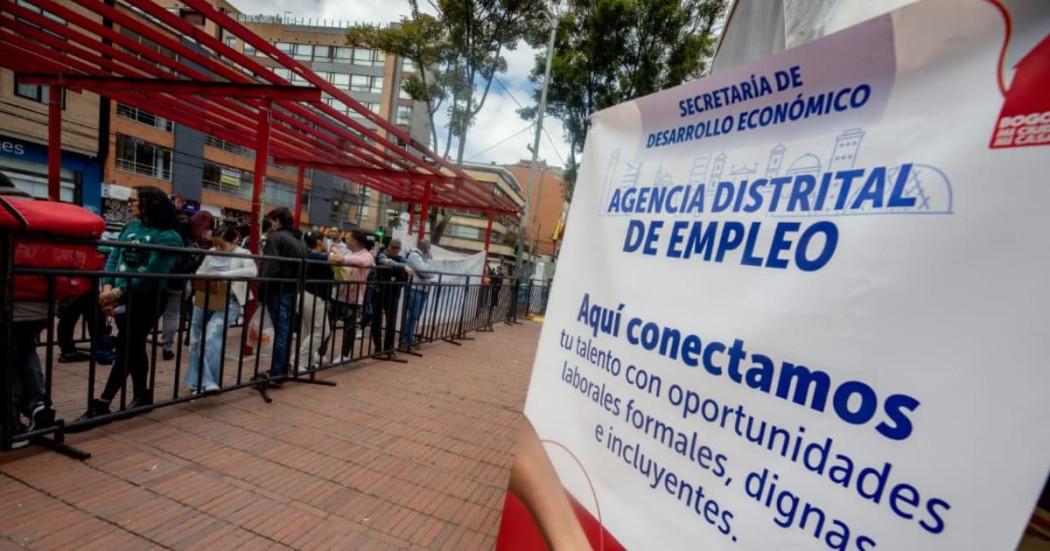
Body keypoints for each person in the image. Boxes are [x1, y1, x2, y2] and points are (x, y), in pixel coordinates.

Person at [78, 186, 183, 421]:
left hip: (148, 298)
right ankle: (142, 396)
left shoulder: (169, 237)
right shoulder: (130, 227)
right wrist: (107, 287)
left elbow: (152, 271)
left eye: (134, 200)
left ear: (150, 204)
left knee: (127, 346)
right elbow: (114, 256)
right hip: (121, 295)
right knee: (133, 346)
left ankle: (103, 402)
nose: (129, 204)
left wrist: (116, 291)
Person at [185, 227, 256, 394]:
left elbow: (252, 271)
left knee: (211, 338)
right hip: (205, 298)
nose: (217, 248)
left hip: (229, 301)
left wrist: (223, 275)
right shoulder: (210, 252)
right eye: (215, 244)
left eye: (221, 245)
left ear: (234, 241)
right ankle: (197, 382)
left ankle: (208, 381)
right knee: (196, 340)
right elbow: (200, 272)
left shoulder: (243, 253)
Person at [256, 207, 307, 381]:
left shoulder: (276, 238)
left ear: (277, 220)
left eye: (271, 220)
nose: (270, 224)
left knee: (282, 332)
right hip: (292, 290)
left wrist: (261, 289)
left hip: (277, 289)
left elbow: (269, 267)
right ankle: (281, 369)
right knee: (285, 331)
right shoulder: (300, 241)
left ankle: (278, 372)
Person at [161, 210, 212, 361]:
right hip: (180, 280)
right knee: (172, 313)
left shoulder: (169, 235)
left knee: (156, 311)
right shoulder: (194, 243)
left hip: (161, 276)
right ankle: (167, 347)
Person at [328, 230, 375, 363]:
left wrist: (340, 257)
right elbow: (332, 258)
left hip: (354, 299)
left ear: (355, 241)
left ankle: (344, 355)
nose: (346, 240)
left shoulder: (367, 256)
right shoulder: (347, 252)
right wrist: (336, 255)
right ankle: (320, 352)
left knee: (349, 328)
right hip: (338, 295)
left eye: (349, 238)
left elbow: (358, 262)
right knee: (328, 325)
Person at [297, 230, 334, 371]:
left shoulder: (308, 254)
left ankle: (305, 362)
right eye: (324, 241)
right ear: (319, 242)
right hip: (314, 296)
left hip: (308, 295)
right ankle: (298, 360)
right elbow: (339, 258)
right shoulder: (316, 255)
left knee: (307, 330)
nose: (326, 243)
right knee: (322, 331)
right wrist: (333, 248)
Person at [370, 238, 412, 355]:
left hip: (393, 294)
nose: (394, 250)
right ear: (389, 247)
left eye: (397, 248)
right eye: (393, 247)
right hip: (379, 292)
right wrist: (402, 267)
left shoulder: (401, 258)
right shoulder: (382, 255)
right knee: (376, 321)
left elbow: (405, 266)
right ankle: (378, 348)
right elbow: (384, 261)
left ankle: (388, 348)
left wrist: (402, 266)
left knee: (391, 322)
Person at [401, 239, 433, 349]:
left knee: (415, 316)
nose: (429, 248)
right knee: (413, 315)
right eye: (427, 246)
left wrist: (428, 270)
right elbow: (425, 271)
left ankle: (409, 338)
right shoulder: (415, 255)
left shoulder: (422, 257)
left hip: (422, 289)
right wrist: (429, 262)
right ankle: (405, 339)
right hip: (415, 288)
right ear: (421, 245)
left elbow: (430, 273)